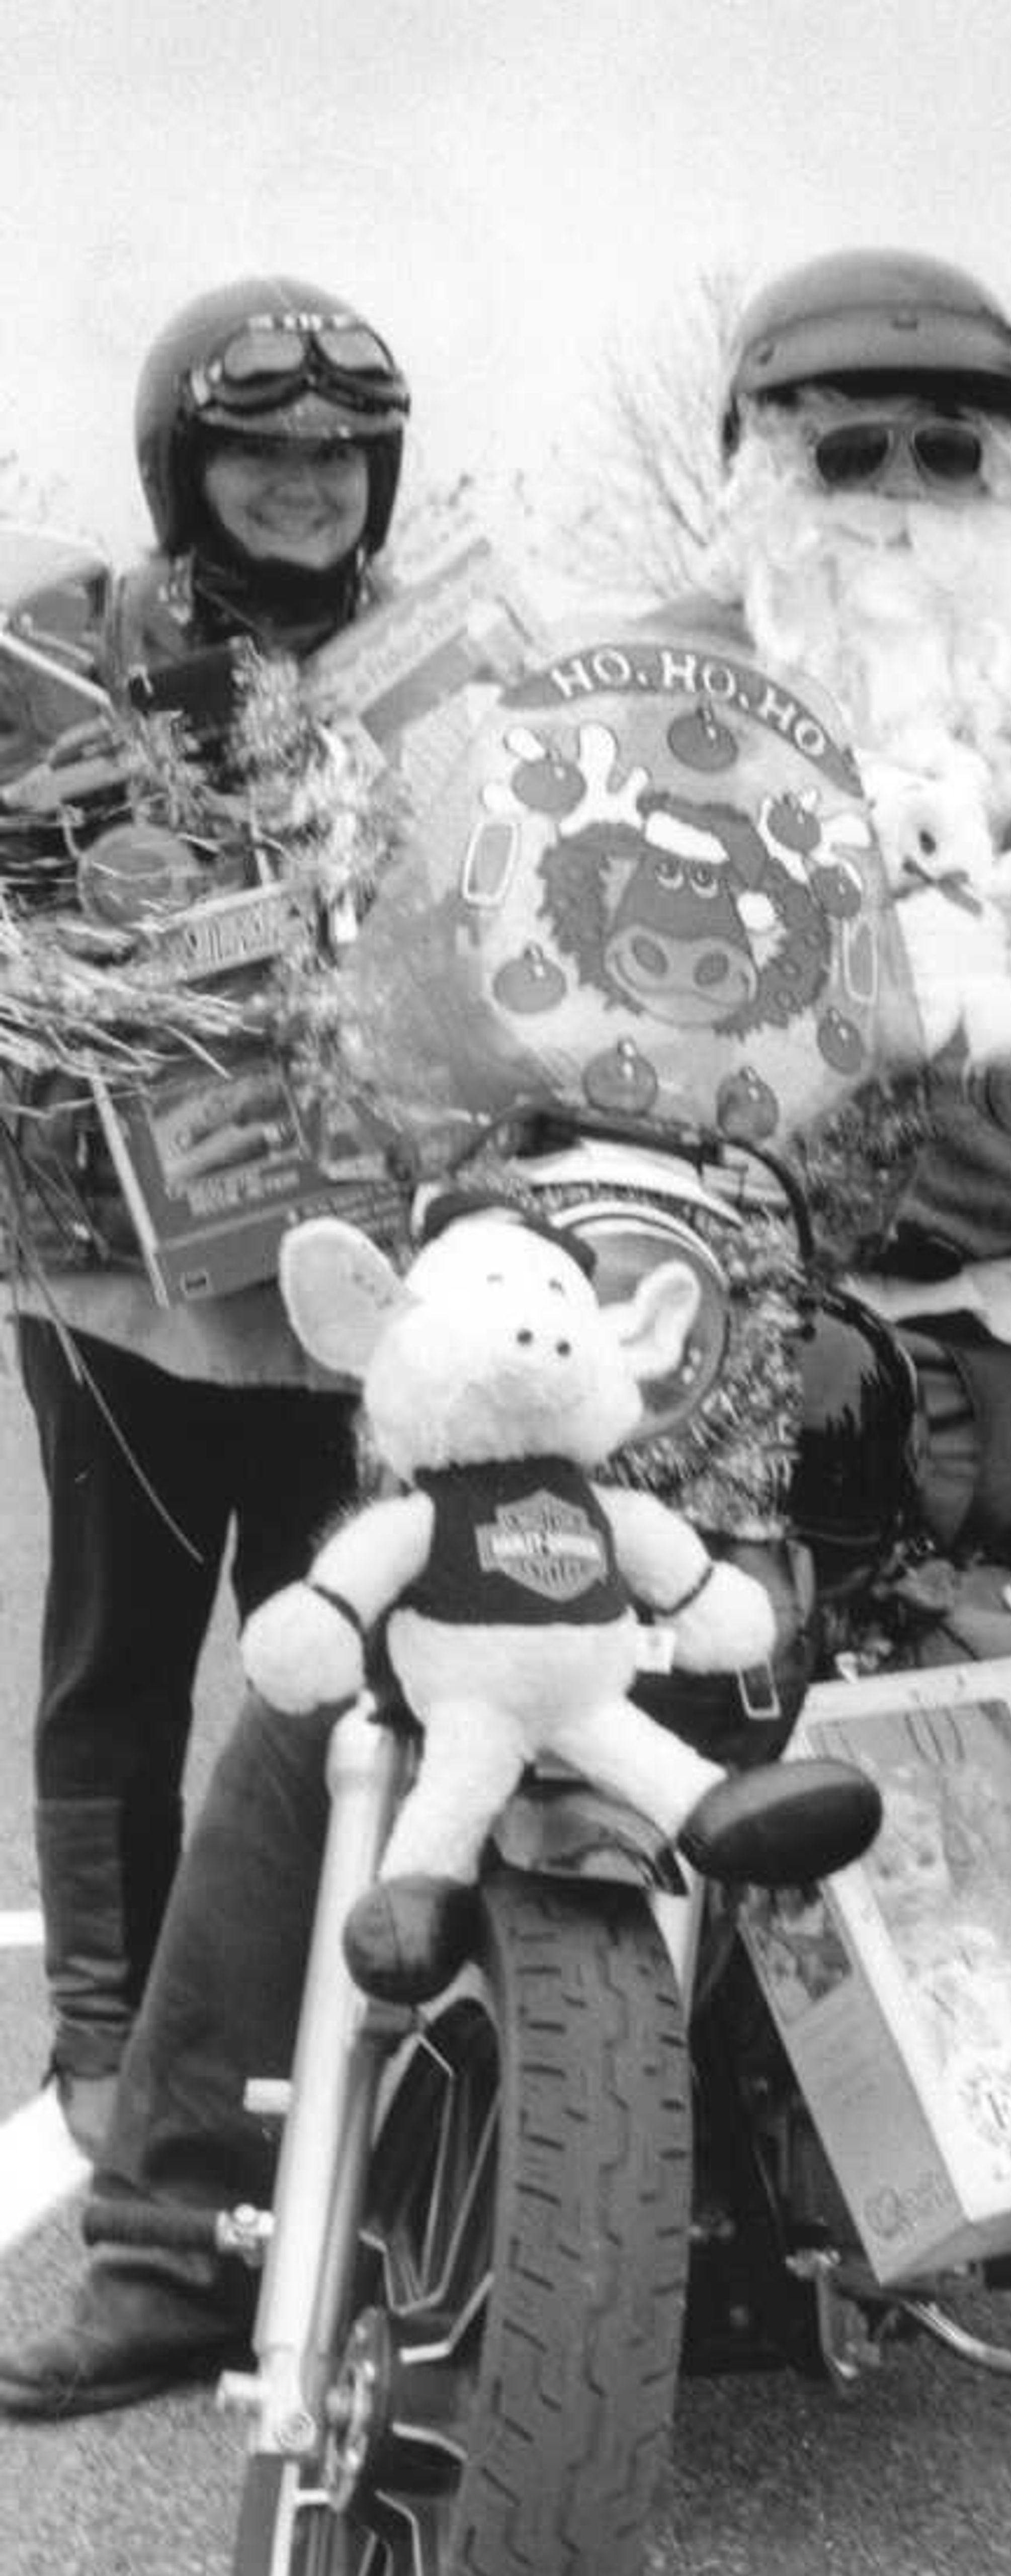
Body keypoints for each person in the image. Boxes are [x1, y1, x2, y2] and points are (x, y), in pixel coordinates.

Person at [0, 248, 1011, 2524]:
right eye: (839, 448)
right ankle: (186, 2229)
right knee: (355, 1670)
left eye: (942, 448)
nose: (891, 495)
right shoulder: (632, 693)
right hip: (676, 1307)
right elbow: (458, 950)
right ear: (754, 468)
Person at [1, 278, 413, 2162]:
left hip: (361, 1266)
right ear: (190, 459)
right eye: (265, 448)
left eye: (340, 454)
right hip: (124, 1267)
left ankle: (309, 2034)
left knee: (337, 1656)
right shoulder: (66, 652)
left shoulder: (444, 667)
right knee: (120, 1651)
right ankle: (107, 2039)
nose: (309, 482)